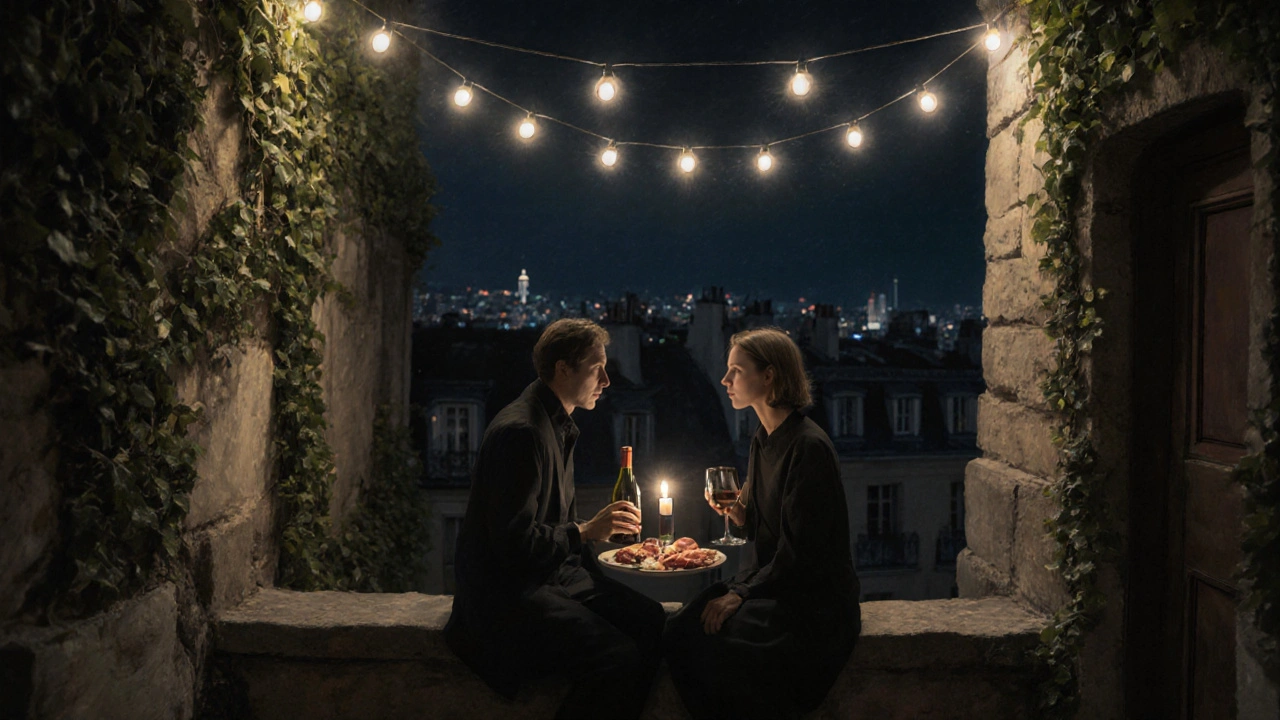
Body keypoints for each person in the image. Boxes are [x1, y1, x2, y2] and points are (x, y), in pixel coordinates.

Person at [443, 319, 666, 719]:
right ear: (563, 369)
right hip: (508, 595)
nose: (607, 381)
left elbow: (552, 531)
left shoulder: (555, 423)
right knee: (619, 657)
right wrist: (586, 530)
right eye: (597, 368)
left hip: (551, 575)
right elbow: (514, 547)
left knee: (652, 620)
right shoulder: (523, 433)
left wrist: (596, 544)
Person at [663, 327, 861, 719]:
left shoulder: (808, 447)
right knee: (682, 628)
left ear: (768, 376)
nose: (725, 380)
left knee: (715, 642)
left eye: (736, 370)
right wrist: (739, 514)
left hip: (811, 601)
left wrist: (741, 593)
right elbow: (764, 526)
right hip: (775, 584)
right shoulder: (763, 439)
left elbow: (801, 550)